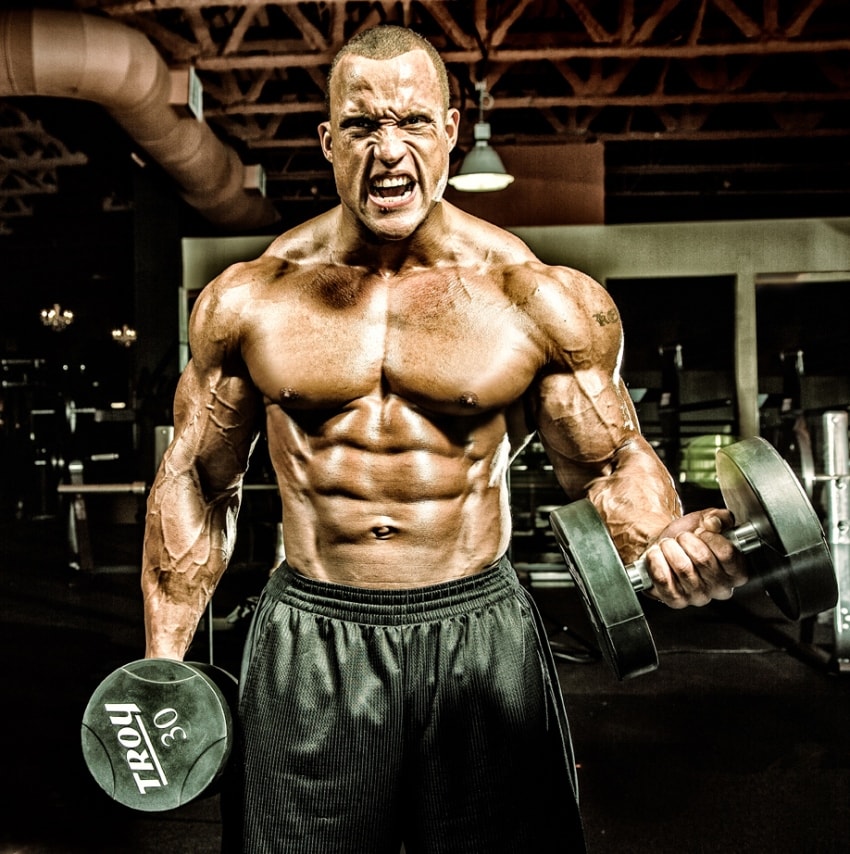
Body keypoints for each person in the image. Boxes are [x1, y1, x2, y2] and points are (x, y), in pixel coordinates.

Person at [141, 24, 747, 854]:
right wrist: (163, 670)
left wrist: (667, 548)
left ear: (452, 131)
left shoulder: (537, 297)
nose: (388, 150)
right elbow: (197, 479)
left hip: (478, 630)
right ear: (327, 140)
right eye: (361, 127)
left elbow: (609, 465)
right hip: (311, 633)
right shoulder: (251, 298)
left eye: (413, 122)